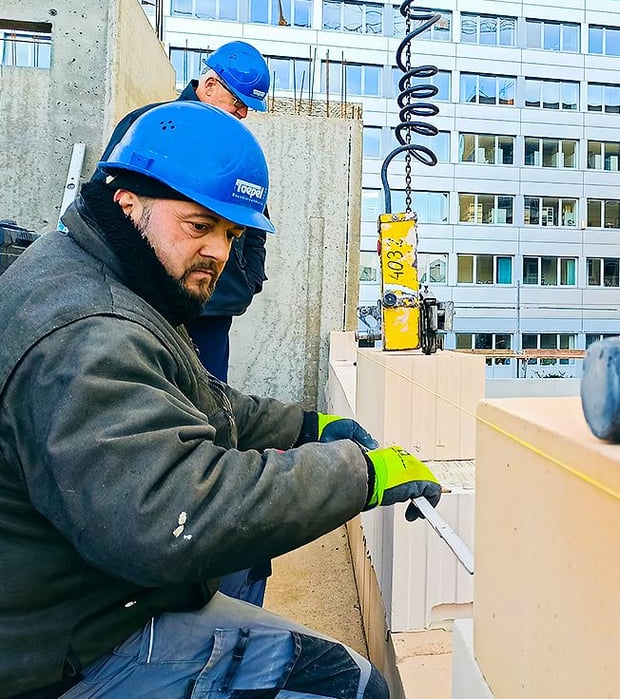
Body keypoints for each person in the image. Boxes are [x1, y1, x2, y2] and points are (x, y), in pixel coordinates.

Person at [0, 102, 441, 699]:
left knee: (247, 564)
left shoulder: (106, 274)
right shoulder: (88, 333)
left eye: (231, 234)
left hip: (85, 596)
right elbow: (173, 514)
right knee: (352, 688)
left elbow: (196, 398)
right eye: (199, 226)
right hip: (72, 649)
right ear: (128, 202)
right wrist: (358, 474)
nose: (219, 252)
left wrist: (308, 426)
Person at [94, 40, 276, 605]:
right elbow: (111, 220)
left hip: (210, 317)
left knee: (211, 415)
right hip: (153, 309)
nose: (241, 115)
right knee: (162, 424)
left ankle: (219, 567)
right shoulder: (152, 130)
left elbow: (252, 233)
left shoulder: (235, 151)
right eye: (237, 103)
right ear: (210, 83)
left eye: (247, 109)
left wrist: (241, 283)